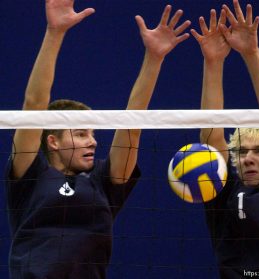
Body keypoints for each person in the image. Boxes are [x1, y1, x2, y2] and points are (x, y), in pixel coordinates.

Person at [5, 0, 191, 278]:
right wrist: (54, 33)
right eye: (81, 134)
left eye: (93, 134)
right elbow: (34, 106)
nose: (92, 141)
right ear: (52, 141)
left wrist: (154, 59)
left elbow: (132, 126)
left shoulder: (104, 182)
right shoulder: (28, 176)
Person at [191, 0, 259, 278]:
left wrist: (252, 54)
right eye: (241, 152)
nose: (248, 157)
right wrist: (213, 62)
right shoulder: (224, 193)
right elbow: (212, 134)